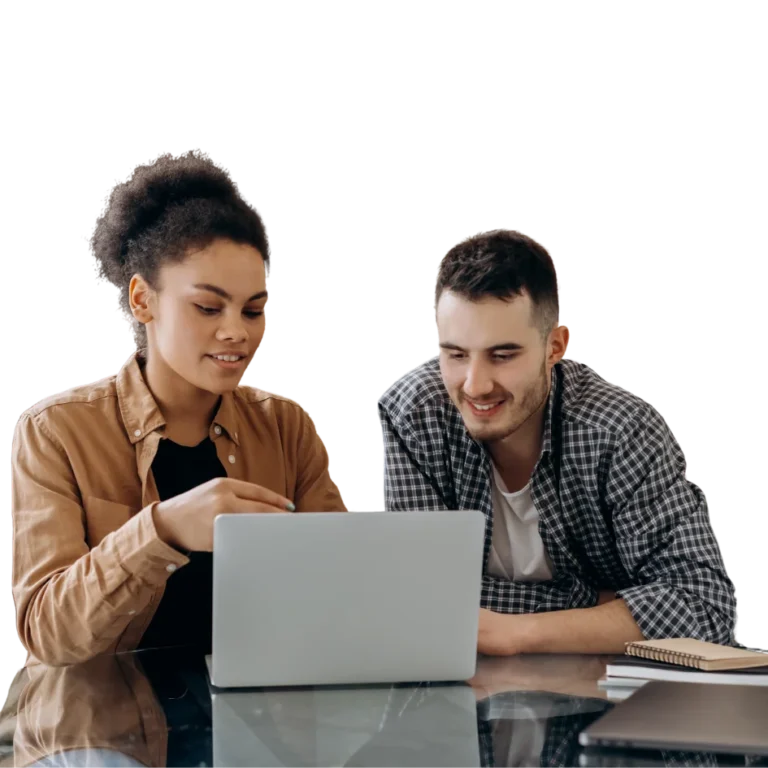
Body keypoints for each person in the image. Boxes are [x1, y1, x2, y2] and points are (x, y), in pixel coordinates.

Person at [11, 149, 348, 668]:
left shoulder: (286, 428)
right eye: (208, 307)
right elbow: (48, 634)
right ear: (143, 301)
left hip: (255, 724)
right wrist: (161, 530)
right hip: (103, 732)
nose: (237, 331)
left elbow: (344, 590)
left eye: (254, 309)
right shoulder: (56, 432)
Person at [376, 228, 735, 656]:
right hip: (462, 696)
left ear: (556, 346)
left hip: (603, 700)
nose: (475, 385)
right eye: (455, 354)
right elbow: (418, 605)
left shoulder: (619, 430)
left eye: (503, 355)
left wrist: (514, 632)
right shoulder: (411, 415)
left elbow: (706, 607)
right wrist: (598, 602)